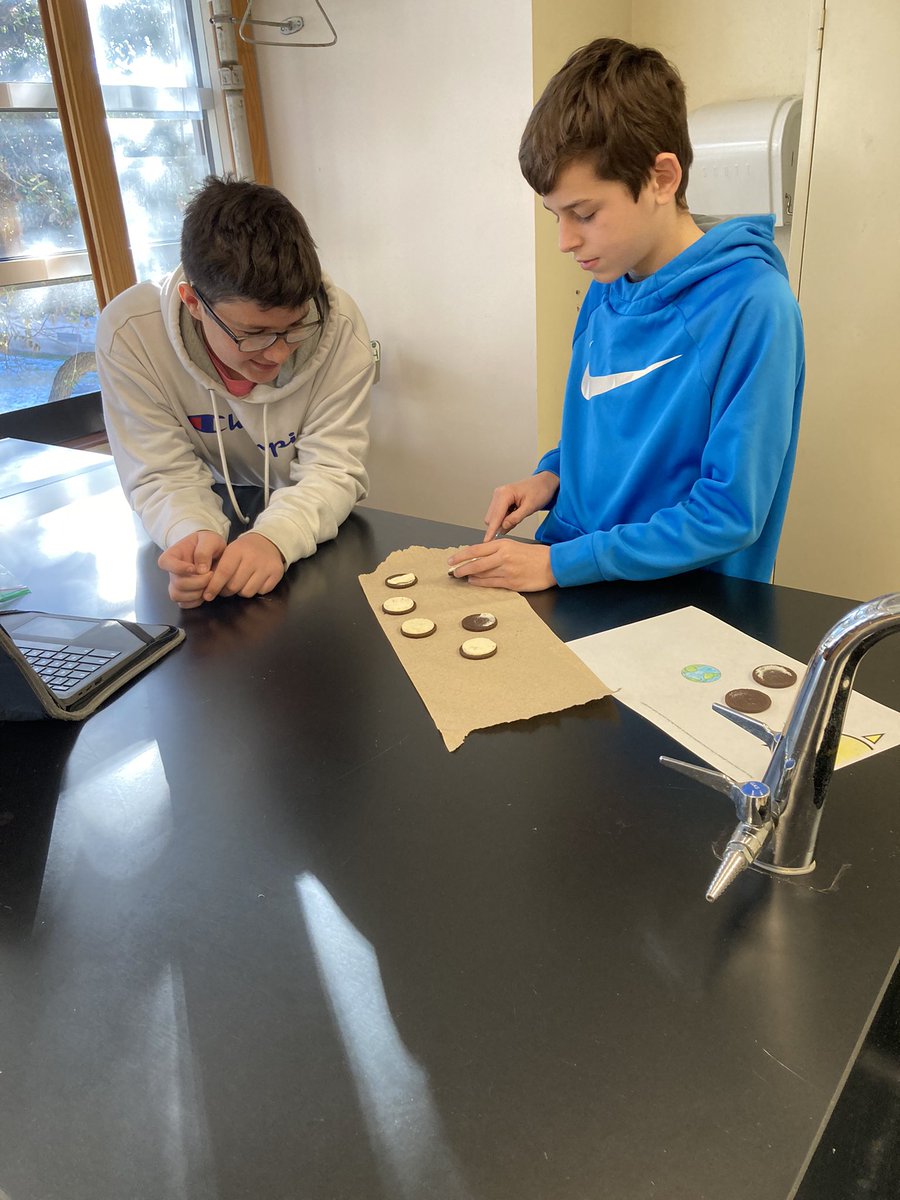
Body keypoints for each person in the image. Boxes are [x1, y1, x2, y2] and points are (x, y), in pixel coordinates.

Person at [448, 38, 804, 592]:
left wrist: (560, 566)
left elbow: (728, 513)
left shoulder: (753, 307)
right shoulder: (608, 281)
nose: (567, 241)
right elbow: (604, 435)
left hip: (678, 610)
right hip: (574, 580)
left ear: (662, 178)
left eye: (584, 213)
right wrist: (551, 477)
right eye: (555, 216)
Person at [97, 176, 374, 608]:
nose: (278, 353)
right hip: (206, 512)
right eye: (254, 333)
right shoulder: (131, 334)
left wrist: (275, 538)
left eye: (295, 326)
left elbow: (333, 468)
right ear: (193, 303)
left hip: (305, 531)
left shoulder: (339, 326)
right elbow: (160, 470)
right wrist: (190, 533)